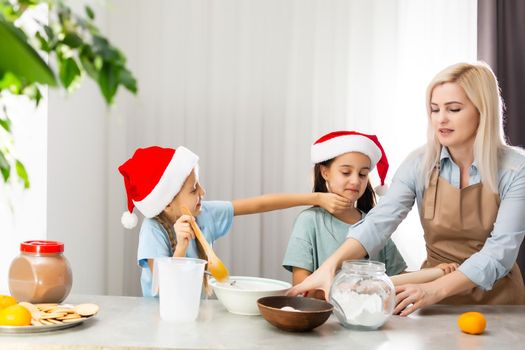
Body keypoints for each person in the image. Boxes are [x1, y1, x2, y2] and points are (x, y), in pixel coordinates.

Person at [288, 62, 525, 315]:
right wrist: (330, 266)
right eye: (434, 109)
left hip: (500, 303)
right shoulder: (418, 164)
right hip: (434, 304)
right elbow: (379, 222)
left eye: (454, 109)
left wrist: (435, 289)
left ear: (483, 111)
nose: (441, 118)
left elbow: (499, 252)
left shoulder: (516, 169)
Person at [118, 145, 350, 297]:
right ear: (168, 202)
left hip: (196, 317)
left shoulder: (204, 213)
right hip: (159, 320)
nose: (203, 191)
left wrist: (317, 198)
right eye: (193, 189)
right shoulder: (153, 229)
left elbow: (260, 204)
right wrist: (181, 247)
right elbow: (162, 288)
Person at [282, 131, 408, 297]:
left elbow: (397, 280)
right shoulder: (309, 221)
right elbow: (302, 289)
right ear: (325, 172)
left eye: (363, 174)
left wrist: (437, 273)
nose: (356, 181)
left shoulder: (375, 226)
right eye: (346, 172)